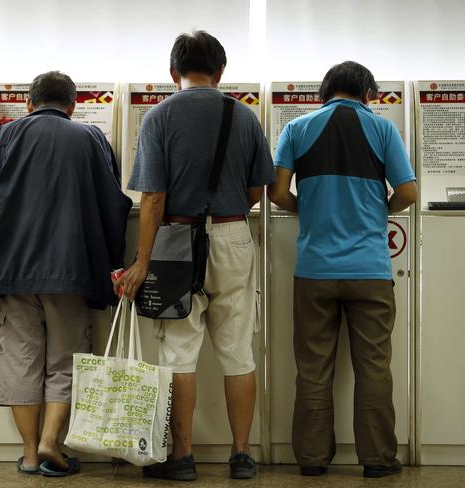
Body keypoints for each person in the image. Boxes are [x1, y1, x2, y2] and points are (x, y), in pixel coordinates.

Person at [115, 31, 275, 481]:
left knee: (179, 352)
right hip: (232, 235)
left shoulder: (159, 117)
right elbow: (256, 190)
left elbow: (152, 198)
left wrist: (143, 260)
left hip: (176, 241)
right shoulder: (244, 117)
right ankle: (241, 455)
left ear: (172, 73)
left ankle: (181, 457)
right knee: (238, 350)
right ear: (221, 71)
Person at [0, 71, 132, 477]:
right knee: (67, 359)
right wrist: (109, 263)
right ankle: (49, 443)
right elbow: (114, 203)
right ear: (73, 106)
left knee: (21, 359)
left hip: (14, 269)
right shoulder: (91, 138)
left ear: (29, 103)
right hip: (70, 269)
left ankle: (27, 452)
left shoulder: (6, 137)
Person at [268, 61, 417, 478]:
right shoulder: (383, 129)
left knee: (313, 368)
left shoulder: (296, 129)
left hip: (314, 270)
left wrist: (308, 210)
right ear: (367, 92)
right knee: (374, 366)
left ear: (325, 90)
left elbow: (277, 192)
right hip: (369, 269)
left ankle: (312, 461)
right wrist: (378, 212)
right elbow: (408, 190)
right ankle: (377, 460)